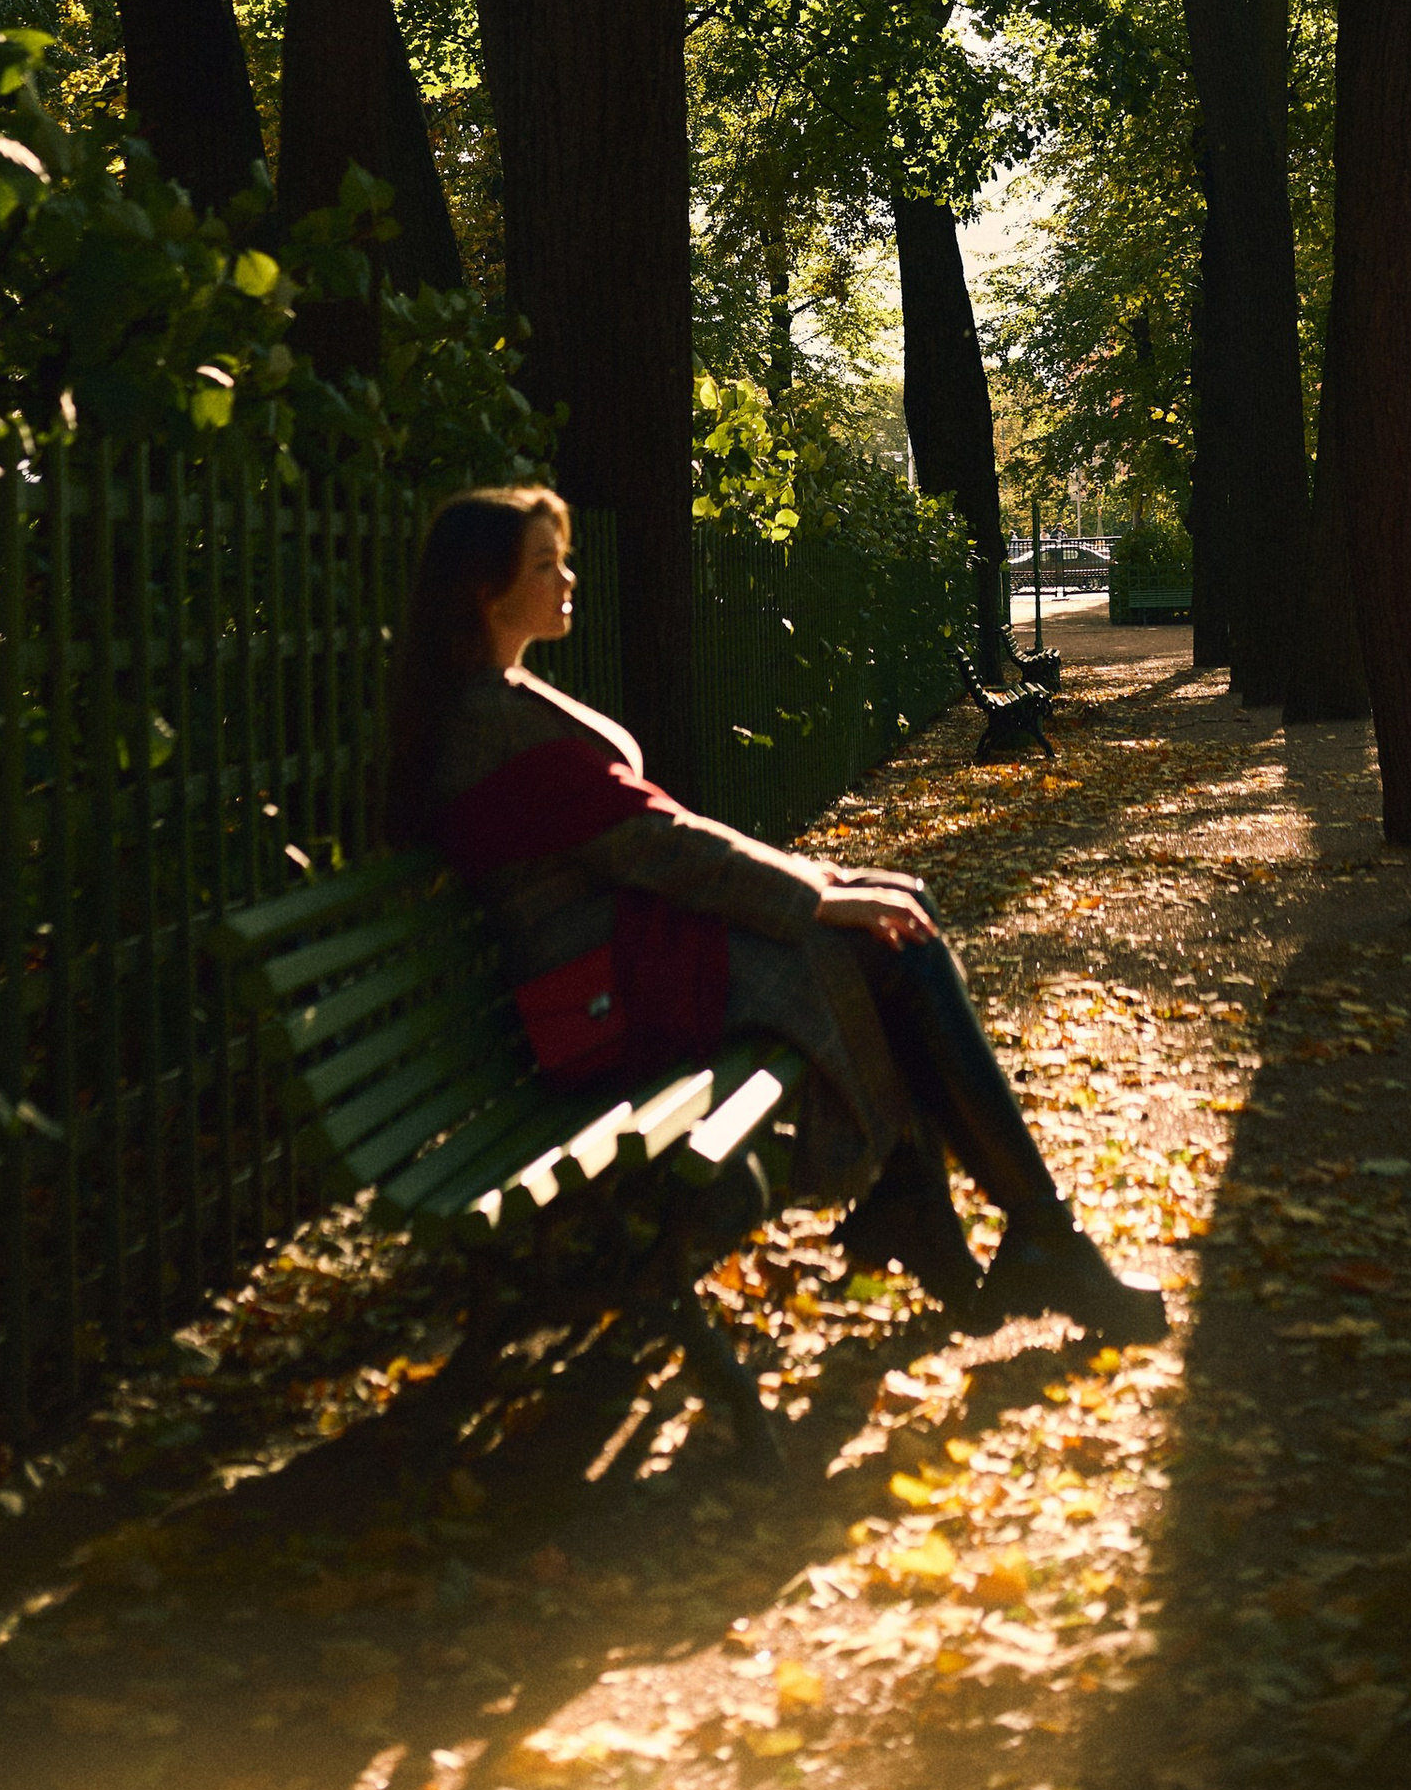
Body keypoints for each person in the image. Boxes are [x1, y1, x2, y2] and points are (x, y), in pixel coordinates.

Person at [383, 486, 1165, 1344]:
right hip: (602, 999)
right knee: (884, 943)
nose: (568, 577)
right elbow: (660, 844)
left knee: (905, 909)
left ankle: (937, 1199)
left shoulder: (497, 697)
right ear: (487, 592)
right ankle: (1017, 1228)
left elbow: (647, 838)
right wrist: (817, 892)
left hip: (626, 959)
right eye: (545, 564)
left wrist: (824, 881)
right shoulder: (489, 721)